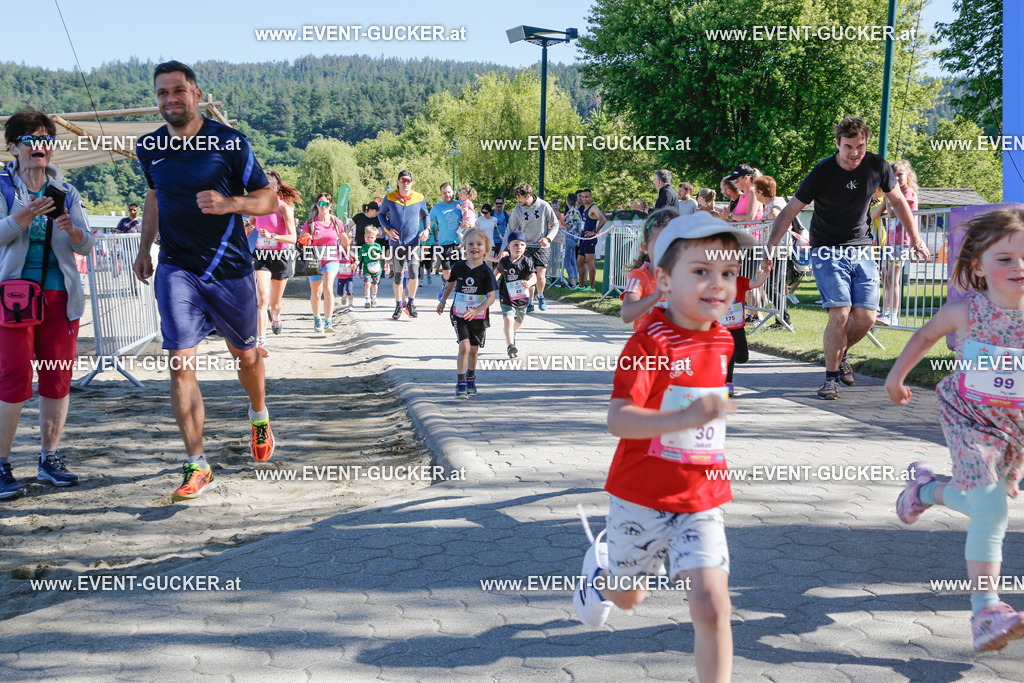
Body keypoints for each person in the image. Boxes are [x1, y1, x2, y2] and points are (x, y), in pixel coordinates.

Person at [573, 212, 755, 683]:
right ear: (664, 280)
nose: (717, 284)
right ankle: (602, 577)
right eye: (701, 271)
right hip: (641, 497)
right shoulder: (648, 343)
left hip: (701, 495)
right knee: (629, 598)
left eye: (727, 273)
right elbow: (617, 419)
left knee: (713, 604)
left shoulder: (722, 340)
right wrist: (684, 419)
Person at [132, 60, 278, 501]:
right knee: (179, 362)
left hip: (229, 268)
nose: (170, 99)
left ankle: (259, 416)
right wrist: (144, 248)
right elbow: (154, 196)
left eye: (178, 91)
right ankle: (197, 463)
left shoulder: (229, 142)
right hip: (177, 268)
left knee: (247, 357)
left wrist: (230, 203)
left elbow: (268, 198)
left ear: (196, 94)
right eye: (162, 93)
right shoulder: (148, 147)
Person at [886, 207, 1024, 653]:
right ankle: (986, 611)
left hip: (1015, 429)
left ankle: (923, 490)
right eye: (1005, 258)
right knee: (991, 512)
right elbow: (924, 336)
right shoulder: (965, 312)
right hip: (969, 420)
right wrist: (896, 377)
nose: (1019, 266)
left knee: (984, 504)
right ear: (978, 267)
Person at [763, 115, 930, 400]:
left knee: (866, 318)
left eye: (860, 146)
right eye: (848, 147)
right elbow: (790, 211)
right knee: (840, 313)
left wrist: (916, 238)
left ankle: (840, 356)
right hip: (826, 248)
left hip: (862, 247)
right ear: (838, 144)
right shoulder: (822, 171)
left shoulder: (878, 166)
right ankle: (830, 380)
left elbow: (899, 202)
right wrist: (770, 246)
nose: (855, 153)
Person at [0, 109, 96, 498]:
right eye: (31, 139)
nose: (39, 146)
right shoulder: (3, 189)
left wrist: (73, 232)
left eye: (46, 139)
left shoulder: (67, 192)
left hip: (60, 297)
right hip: (14, 298)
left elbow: (87, 245)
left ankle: (49, 459)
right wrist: (22, 216)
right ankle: (2, 465)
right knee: (13, 379)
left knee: (57, 378)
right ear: (13, 147)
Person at [437, 227, 497, 399]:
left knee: (473, 351)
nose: (474, 247)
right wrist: (443, 301)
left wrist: (477, 309)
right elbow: (450, 284)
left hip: (478, 316)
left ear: (486, 248)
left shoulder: (487, 272)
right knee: (464, 346)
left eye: (479, 244)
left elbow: (491, 298)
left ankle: (471, 378)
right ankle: (461, 382)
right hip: (459, 314)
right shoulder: (458, 267)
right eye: (470, 244)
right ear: (464, 246)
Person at [251, 169, 298, 356]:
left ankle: (276, 315)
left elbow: (293, 238)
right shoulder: (256, 206)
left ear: (276, 189)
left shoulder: (283, 208)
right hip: (261, 255)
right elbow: (252, 225)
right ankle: (262, 341)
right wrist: (246, 229)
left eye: (269, 188)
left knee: (275, 303)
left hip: (280, 256)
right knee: (262, 299)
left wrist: (273, 236)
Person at [379, 170, 429, 320]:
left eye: (408, 180)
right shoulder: (389, 197)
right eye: (403, 180)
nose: (405, 183)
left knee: (414, 273)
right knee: (398, 276)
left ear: (411, 183)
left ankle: (411, 304)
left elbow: (426, 215)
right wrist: (388, 230)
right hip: (396, 244)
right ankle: (398, 305)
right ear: (398, 182)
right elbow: (381, 215)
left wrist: (426, 229)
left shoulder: (419, 197)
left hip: (413, 243)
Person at [500, 183, 558, 311]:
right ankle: (530, 302)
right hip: (525, 246)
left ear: (528, 196)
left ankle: (540, 295)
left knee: (540, 275)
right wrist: (504, 249)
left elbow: (555, 224)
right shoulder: (518, 209)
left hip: (541, 246)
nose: (518, 200)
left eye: (519, 197)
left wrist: (548, 238)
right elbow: (510, 229)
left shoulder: (543, 206)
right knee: (528, 275)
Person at [719, 262, 772, 397]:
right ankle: (727, 383)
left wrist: (765, 273)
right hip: (722, 328)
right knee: (730, 353)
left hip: (738, 327)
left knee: (743, 357)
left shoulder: (740, 281)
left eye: (737, 266)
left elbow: (757, 283)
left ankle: (722, 363)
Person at [878, 160, 920, 326]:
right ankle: (886, 311)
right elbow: (875, 214)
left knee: (892, 277)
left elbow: (893, 213)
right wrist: (886, 198)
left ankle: (893, 315)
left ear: (908, 176)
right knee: (884, 276)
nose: (896, 178)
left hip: (901, 241)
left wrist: (888, 199)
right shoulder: (893, 195)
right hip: (890, 241)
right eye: (893, 176)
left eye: (900, 174)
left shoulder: (908, 193)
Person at [620, 208, 677, 331]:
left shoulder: (686, 278)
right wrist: (655, 296)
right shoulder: (639, 277)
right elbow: (626, 315)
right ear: (645, 247)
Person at [301, 192, 347, 333]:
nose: (323, 206)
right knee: (316, 292)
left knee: (328, 288)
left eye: (326, 203)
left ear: (330, 205)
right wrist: (305, 240)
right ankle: (317, 318)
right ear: (316, 205)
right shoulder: (311, 223)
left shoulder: (336, 222)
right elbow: (302, 240)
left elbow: (343, 238)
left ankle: (328, 322)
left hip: (331, 259)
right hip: (315, 260)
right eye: (320, 203)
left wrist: (349, 250)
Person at [495, 230, 537, 359]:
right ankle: (510, 346)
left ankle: (510, 332)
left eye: (522, 245)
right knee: (508, 319)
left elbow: (534, 277)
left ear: (525, 247)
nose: (519, 247)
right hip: (506, 296)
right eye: (515, 245)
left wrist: (529, 283)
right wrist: (489, 286)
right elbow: (495, 274)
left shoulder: (526, 261)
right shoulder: (504, 262)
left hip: (522, 298)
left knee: (517, 323)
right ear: (508, 246)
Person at [430, 182, 463, 284]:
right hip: (444, 243)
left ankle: (455, 288)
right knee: (447, 271)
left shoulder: (460, 205)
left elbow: (470, 220)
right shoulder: (436, 208)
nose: (447, 194)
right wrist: (425, 232)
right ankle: (446, 283)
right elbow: (429, 224)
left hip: (458, 243)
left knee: (459, 270)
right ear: (441, 194)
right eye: (444, 193)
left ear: (453, 192)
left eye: (449, 192)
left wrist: (468, 226)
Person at [576, 188, 607, 293]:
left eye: (586, 197)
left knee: (590, 262)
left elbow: (603, 219)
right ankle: (581, 285)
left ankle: (592, 287)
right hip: (584, 238)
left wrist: (594, 231)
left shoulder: (593, 208)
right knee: (579, 261)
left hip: (590, 239)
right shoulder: (584, 208)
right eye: (582, 197)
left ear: (591, 197)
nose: (584, 198)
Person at [359, 224, 385, 308]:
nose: (370, 239)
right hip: (366, 269)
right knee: (367, 284)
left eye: (372, 237)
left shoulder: (377, 246)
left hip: (376, 269)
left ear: (375, 237)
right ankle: (367, 301)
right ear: (365, 236)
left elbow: (382, 256)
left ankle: (374, 297)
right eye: (368, 237)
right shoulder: (363, 247)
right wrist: (355, 263)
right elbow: (360, 258)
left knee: (374, 285)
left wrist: (377, 255)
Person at [562, 192, 582, 288]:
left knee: (567, 261)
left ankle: (573, 282)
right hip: (576, 239)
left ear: (567, 201)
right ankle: (576, 281)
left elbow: (568, 226)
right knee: (573, 260)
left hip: (570, 238)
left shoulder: (571, 212)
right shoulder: (577, 211)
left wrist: (560, 218)